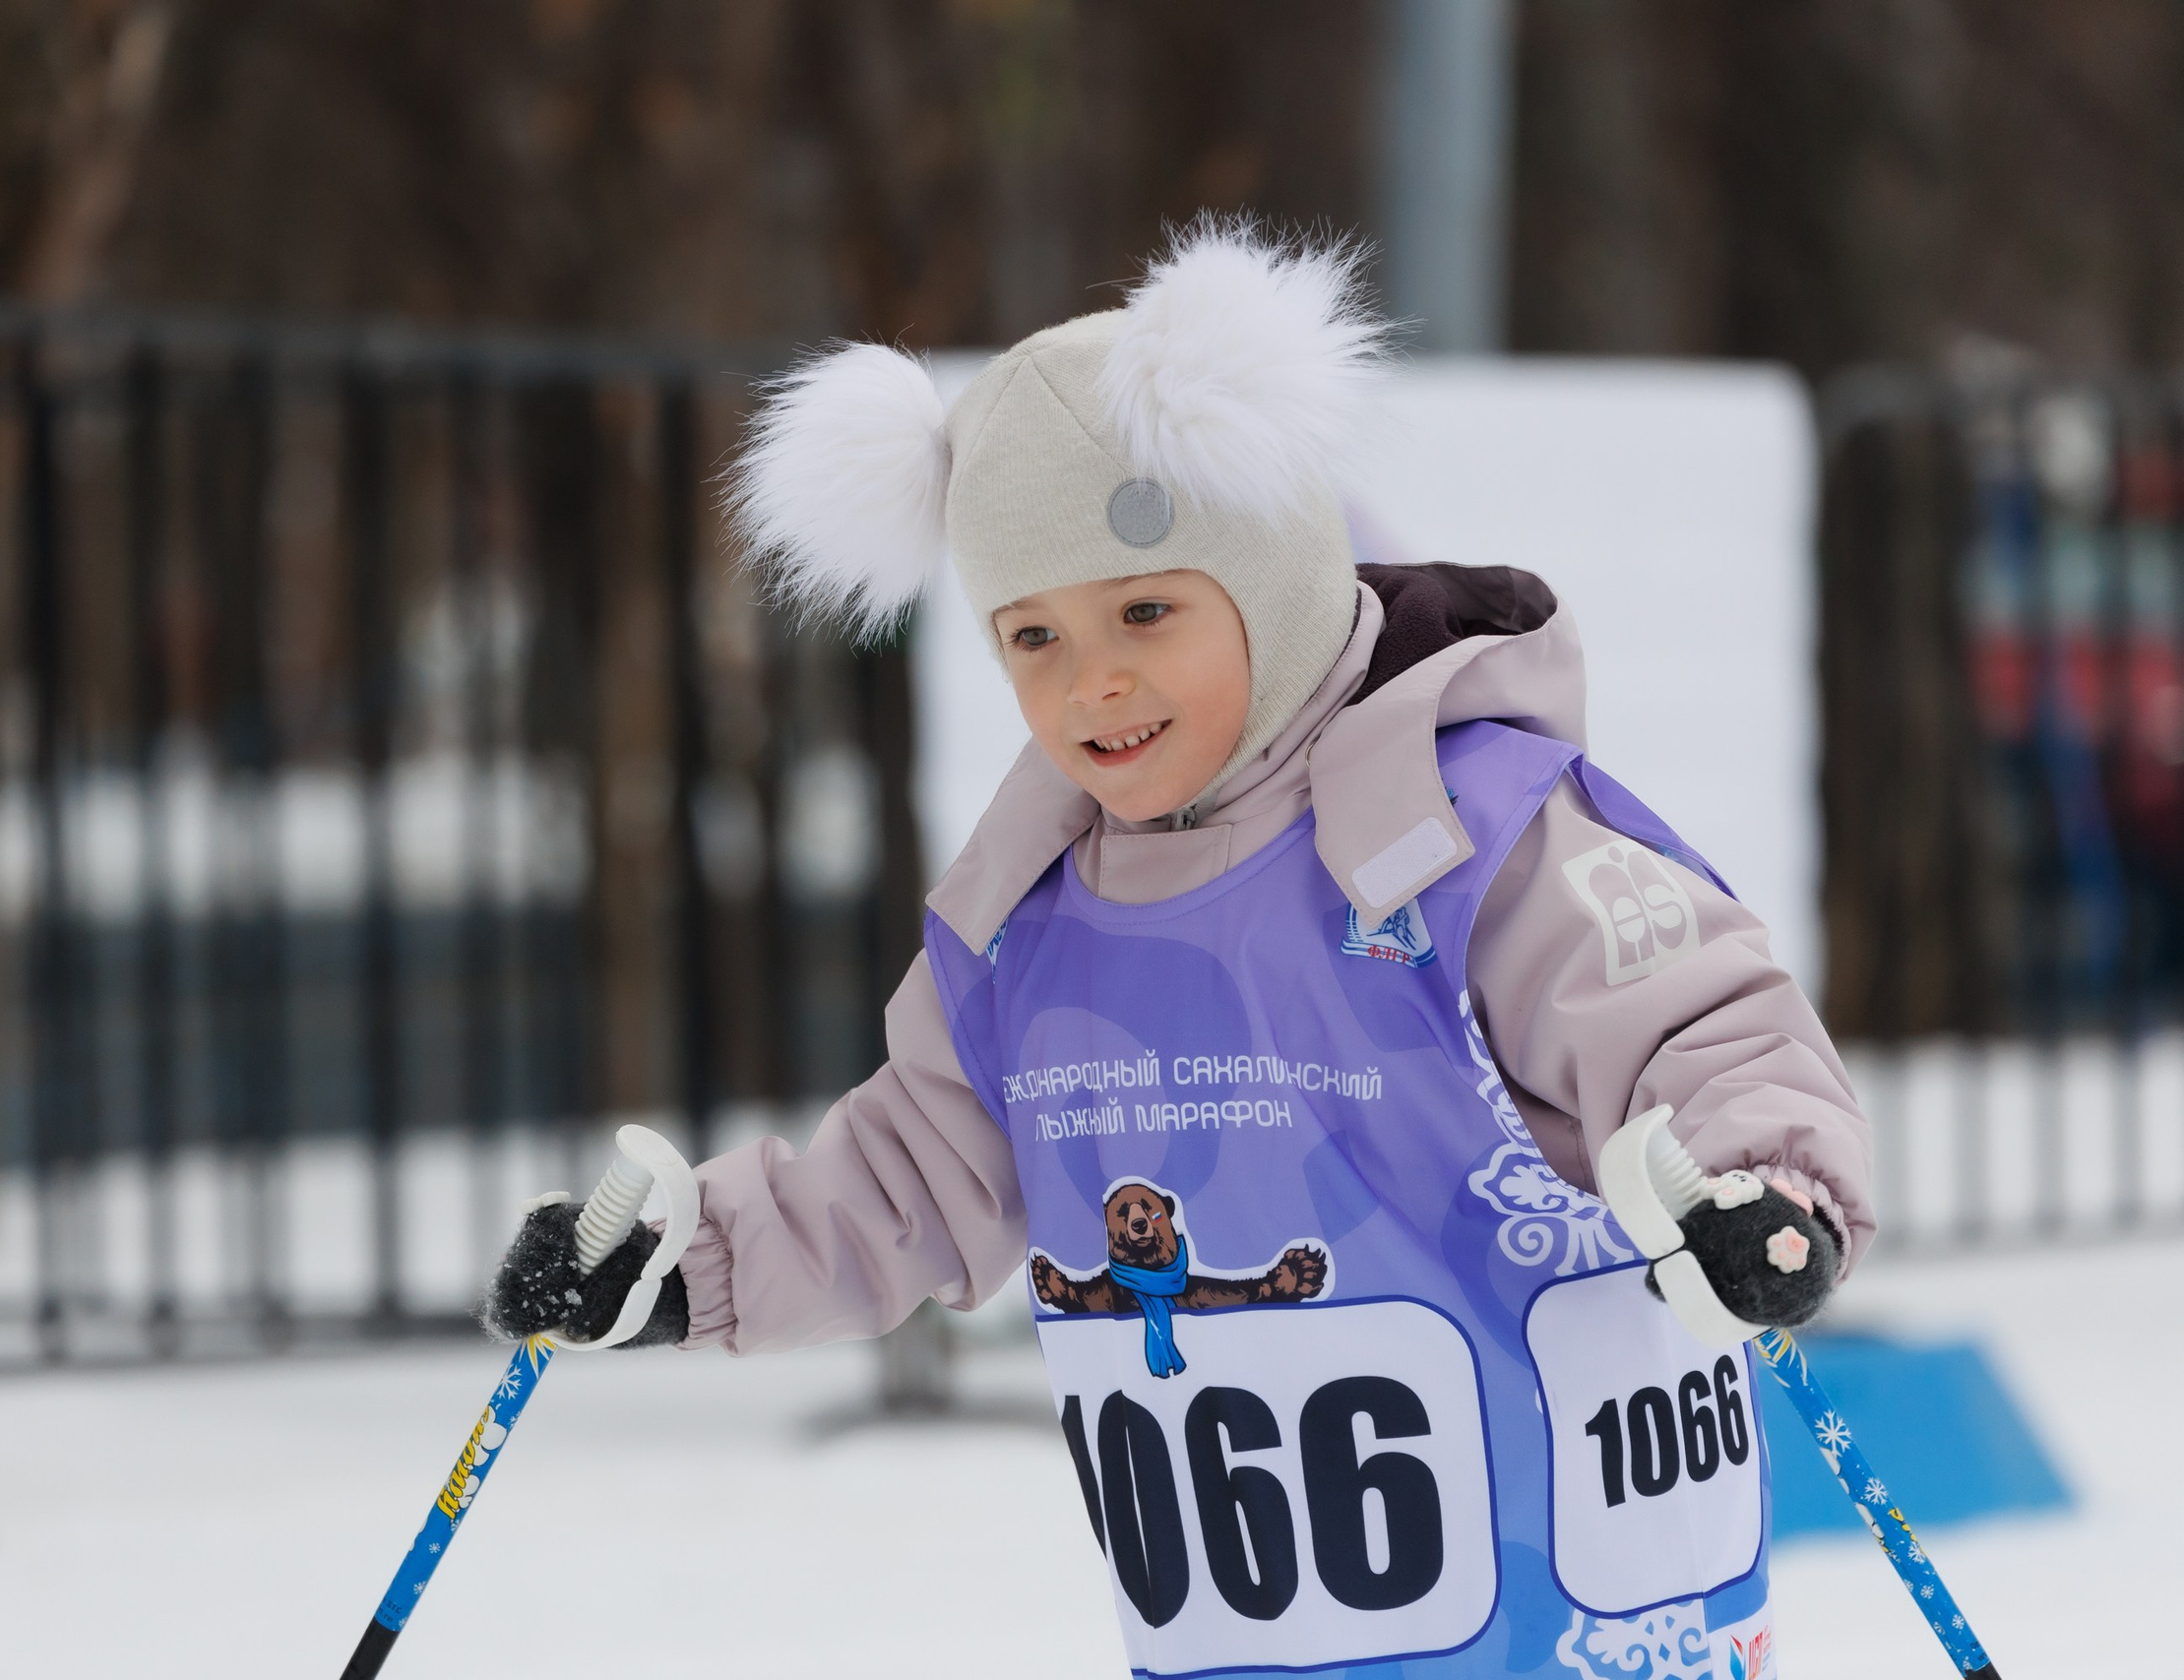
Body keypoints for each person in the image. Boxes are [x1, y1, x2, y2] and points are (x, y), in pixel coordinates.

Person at [486, 219, 1867, 1677]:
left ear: (1266, 579)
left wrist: (1762, 1189)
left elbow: (1697, 1019)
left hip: (1562, 1620)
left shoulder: (1469, 837)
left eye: (1146, 610)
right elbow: (906, 1177)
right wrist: (681, 1267)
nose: (1095, 681)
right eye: (1033, 637)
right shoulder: (1029, 930)